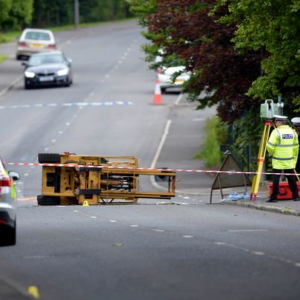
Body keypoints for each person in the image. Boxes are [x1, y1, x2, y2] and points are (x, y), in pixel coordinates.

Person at [266, 115, 299, 202]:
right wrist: (294, 160)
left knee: (276, 179)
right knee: (291, 178)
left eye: (276, 122)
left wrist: (272, 153)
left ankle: (274, 197)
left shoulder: (276, 132)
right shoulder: (293, 132)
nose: (276, 124)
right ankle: (295, 196)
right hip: (289, 160)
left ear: (279, 123)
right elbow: (296, 148)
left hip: (278, 160)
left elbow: (270, 146)